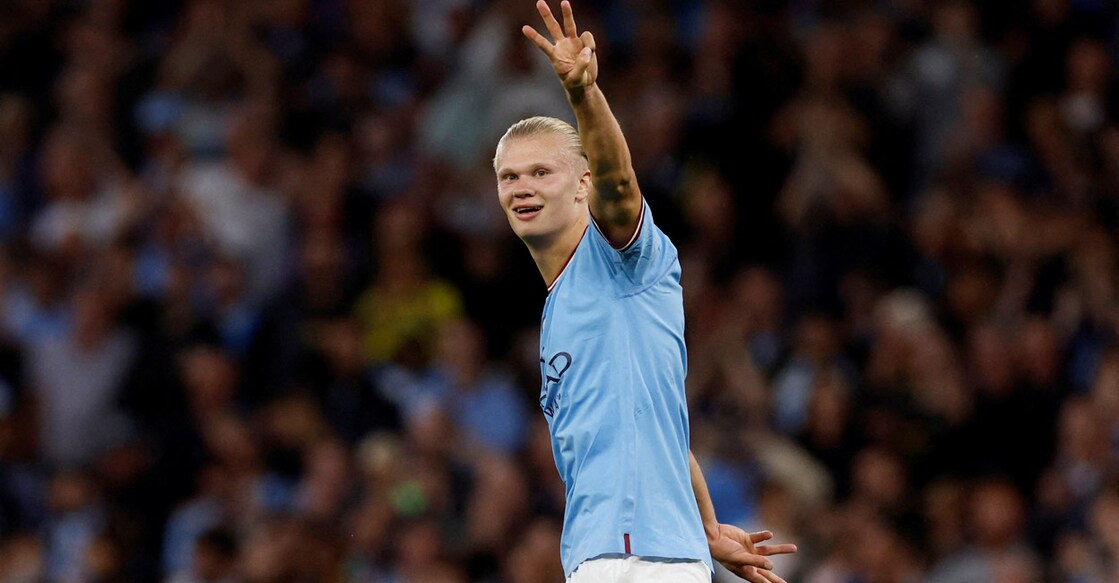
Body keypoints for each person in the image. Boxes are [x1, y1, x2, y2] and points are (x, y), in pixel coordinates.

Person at [493, 2, 797, 582]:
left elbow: (620, 180)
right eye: (509, 177)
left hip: (633, 560)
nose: (521, 188)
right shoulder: (561, 305)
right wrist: (706, 529)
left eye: (540, 172)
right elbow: (661, 425)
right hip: (621, 556)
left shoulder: (623, 260)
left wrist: (583, 94)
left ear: (583, 186)